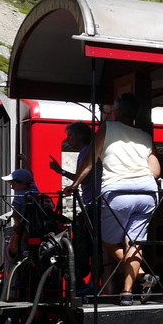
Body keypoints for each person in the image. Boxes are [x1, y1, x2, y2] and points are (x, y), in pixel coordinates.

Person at [65, 93, 160, 305]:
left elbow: (90, 161)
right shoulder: (145, 135)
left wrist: (74, 185)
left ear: (116, 112)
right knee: (134, 243)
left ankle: (141, 277)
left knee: (109, 242)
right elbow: (155, 171)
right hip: (147, 193)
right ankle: (128, 291)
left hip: (118, 193)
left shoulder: (107, 128)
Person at [50, 122, 97, 292]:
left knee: (90, 244)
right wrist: (61, 171)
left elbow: (84, 177)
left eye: (70, 135)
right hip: (91, 201)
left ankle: (90, 281)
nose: (68, 139)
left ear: (80, 136)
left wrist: (68, 179)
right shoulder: (87, 151)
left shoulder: (86, 151)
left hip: (92, 202)